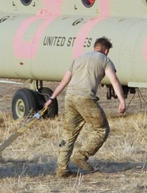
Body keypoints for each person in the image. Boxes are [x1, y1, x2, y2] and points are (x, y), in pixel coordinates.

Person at [42, 36, 127, 178]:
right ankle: (81, 156)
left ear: (95, 47)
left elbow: (64, 81)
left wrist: (51, 98)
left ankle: (61, 170)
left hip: (70, 97)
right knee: (101, 129)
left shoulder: (78, 58)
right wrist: (122, 101)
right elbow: (114, 81)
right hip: (85, 98)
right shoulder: (105, 60)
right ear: (106, 50)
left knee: (68, 134)